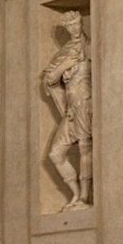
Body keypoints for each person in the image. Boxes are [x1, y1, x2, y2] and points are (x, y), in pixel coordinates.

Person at [42, 11, 92, 212]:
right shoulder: (64, 51)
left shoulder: (90, 46)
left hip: (86, 102)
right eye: (69, 26)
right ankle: (76, 192)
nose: (74, 28)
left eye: (76, 24)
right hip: (71, 107)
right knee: (55, 153)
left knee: (84, 147)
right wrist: (66, 65)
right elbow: (50, 79)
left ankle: (85, 197)